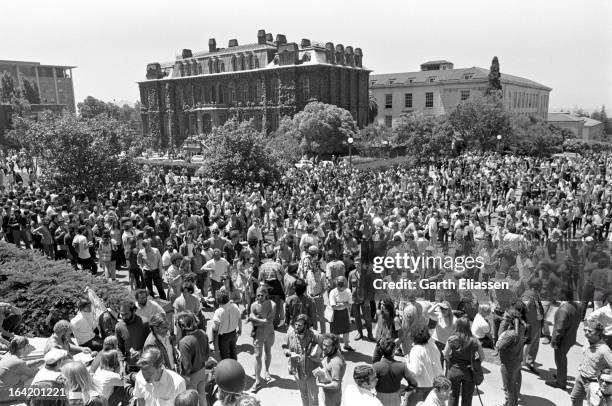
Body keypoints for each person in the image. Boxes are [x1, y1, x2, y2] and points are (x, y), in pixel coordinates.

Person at [443, 316, 484, 406]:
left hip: (454, 371)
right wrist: (476, 363)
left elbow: (445, 354)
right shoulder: (475, 341)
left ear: (457, 326)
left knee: (453, 395)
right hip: (469, 371)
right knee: (467, 397)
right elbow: (482, 357)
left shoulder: (452, 339)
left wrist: (451, 363)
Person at [282, 314, 322, 406]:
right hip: (298, 372)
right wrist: (289, 353)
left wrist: (317, 355)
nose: (297, 327)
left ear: (306, 326)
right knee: (303, 395)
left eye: (300, 325)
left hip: (312, 372)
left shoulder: (315, 336)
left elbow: (323, 351)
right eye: (296, 324)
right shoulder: (290, 335)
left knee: (313, 398)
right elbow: (284, 347)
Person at [570, 320, 612, 405]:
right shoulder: (589, 341)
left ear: (598, 334)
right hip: (581, 377)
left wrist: (606, 380)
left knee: (591, 403)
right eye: (585, 330)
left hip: (592, 382)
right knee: (574, 398)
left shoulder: (604, 350)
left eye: (589, 331)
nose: (586, 333)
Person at [547, 287, 581, 389]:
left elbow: (559, 328)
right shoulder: (577, 305)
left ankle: (561, 382)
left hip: (562, 340)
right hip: (571, 337)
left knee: (560, 359)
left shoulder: (563, 309)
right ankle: (560, 375)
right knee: (561, 358)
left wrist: (554, 341)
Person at [176, 311, 211, 406]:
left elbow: (187, 367)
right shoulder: (203, 333)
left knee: (191, 401)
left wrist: (184, 380)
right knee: (202, 396)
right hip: (202, 370)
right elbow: (207, 355)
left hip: (191, 376)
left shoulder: (184, 342)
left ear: (182, 326)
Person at [406, 325, 444, 406]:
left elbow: (416, 371)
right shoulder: (434, 346)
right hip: (433, 386)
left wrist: (407, 363)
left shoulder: (416, 350)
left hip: (419, 387)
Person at [495, 309, 527, 406]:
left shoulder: (510, 334)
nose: (503, 318)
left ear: (509, 320)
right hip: (517, 361)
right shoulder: (522, 327)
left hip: (508, 364)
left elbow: (498, 345)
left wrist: (503, 327)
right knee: (513, 387)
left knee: (508, 389)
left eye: (505, 317)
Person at [373, 337, 417, 406]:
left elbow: (375, 359)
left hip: (380, 397)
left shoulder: (376, 366)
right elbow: (414, 383)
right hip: (395, 398)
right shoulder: (402, 366)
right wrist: (404, 390)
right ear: (394, 351)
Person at [248, 286, 276, 393]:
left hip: (269, 332)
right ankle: (257, 381)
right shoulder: (253, 305)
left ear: (266, 295)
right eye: (258, 295)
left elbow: (269, 321)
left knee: (268, 351)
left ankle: (267, 371)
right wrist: (259, 320)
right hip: (258, 333)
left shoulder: (272, 305)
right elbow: (253, 322)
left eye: (262, 295)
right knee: (257, 355)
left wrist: (255, 318)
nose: (259, 297)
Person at [115, 299, 150, 372]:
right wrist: (121, 366)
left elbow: (152, 344)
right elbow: (120, 347)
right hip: (130, 366)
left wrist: (141, 352)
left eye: (126, 314)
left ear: (133, 311)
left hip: (146, 363)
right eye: (122, 314)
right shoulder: (119, 327)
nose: (124, 317)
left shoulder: (144, 323)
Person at [211, 289, 242, 360]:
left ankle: (227, 369)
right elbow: (239, 319)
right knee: (233, 352)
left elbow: (216, 327)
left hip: (223, 336)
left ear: (218, 300)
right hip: (233, 333)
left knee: (225, 355)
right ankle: (235, 368)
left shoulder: (218, 312)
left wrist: (214, 340)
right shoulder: (234, 306)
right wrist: (240, 329)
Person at [317, 333, 347, 406]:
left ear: (334, 347)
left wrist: (319, 384)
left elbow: (336, 384)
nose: (323, 347)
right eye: (323, 344)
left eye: (327, 346)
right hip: (329, 393)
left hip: (332, 396)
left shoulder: (335, 362)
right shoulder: (332, 353)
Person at [328, 276, 354, 352]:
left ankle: (346, 345)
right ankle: (337, 346)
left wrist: (339, 304)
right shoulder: (333, 292)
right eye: (340, 286)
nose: (342, 288)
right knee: (336, 332)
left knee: (346, 330)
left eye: (343, 286)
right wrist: (344, 304)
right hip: (335, 314)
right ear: (337, 285)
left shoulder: (348, 291)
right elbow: (334, 306)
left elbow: (350, 304)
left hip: (345, 313)